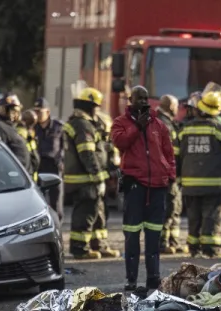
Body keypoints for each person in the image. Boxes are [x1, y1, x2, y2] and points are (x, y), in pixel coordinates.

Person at [111, 86, 176, 291]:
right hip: (135, 188)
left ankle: (153, 280)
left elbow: (169, 153)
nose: (144, 102)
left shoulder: (159, 125)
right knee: (132, 236)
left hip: (157, 188)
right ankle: (131, 280)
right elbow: (119, 142)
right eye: (139, 98)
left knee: (153, 237)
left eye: (146, 98)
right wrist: (136, 127)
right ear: (130, 100)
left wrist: (170, 176)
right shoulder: (120, 123)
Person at [176, 90, 221, 258]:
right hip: (214, 184)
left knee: (193, 217)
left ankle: (193, 247)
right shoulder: (220, 130)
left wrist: (177, 179)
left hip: (190, 184)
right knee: (211, 217)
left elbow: (176, 157)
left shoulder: (184, 130)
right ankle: (210, 248)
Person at [60, 86, 112, 260]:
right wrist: (98, 178)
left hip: (88, 179)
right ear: (89, 106)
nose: (98, 110)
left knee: (98, 212)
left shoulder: (82, 123)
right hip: (86, 180)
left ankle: (100, 244)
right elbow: (87, 154)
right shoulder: (82, 125)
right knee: (85, 214)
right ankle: (79, 248)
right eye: (96, 106)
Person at [156, 94, 186, 254]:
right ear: (170, 106)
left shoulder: (166, 122)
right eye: (176, 106)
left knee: (175, 207)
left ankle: (173, 241)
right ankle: (162, 243)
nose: (178, 109)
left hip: (170, 174)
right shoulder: (163, 124)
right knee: (167, 208)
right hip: (167, 175)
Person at [91, 107, 121, 258]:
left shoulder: (107, 142)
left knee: (102, 213)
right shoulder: (100, 143)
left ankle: (99, 243)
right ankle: (98, 245)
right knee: (98, 214)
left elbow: (114, 161)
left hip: (107, 180)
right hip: (99, 182)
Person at [33, 97, 67, 219]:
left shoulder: (59, 127)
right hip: (38, 166)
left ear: (47, 112)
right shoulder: (32, 127)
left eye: (40, 112)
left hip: (54, 166)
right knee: (38, 201)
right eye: (35, 111)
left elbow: (65, 147)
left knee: (56, 202)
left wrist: (62, 161)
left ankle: (57, 228)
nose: (37, 115)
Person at [0, 94, 33, 174]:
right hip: (12, 177)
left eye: (16, 110)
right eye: (10, 110)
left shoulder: (11, 127)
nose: (14, 114)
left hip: (22, 175)